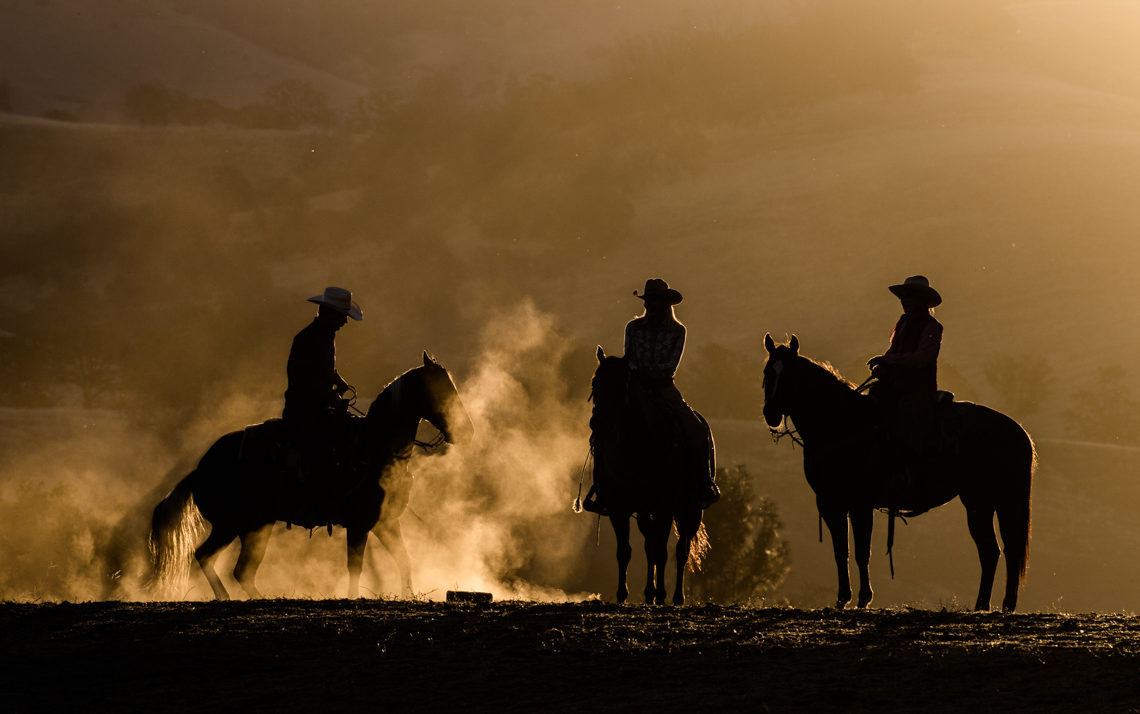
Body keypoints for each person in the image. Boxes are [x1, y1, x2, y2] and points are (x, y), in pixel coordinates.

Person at [585, 278, 719, 514]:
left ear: (666, 304)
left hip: (663, 388)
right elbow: (629, 357)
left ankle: (703, 483)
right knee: (603, 428)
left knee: (696, 428)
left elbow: (670, 364)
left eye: (654, 301)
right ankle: (601, 487)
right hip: (634, 387)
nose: (649, 306)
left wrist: (646, 373)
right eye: (648, 301)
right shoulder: (633, 328)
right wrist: (636, 375)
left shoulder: (678, 331)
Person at [282, 286, 363, 482]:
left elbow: (323, 369)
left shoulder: (323, 335)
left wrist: (338, 381)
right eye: (342, 316)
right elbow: (303, 379)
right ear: (330, 313)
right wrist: (332, 398)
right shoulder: (309, 338)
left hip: (316, 407)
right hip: (303, 410)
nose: (345, 321)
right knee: (323, 452)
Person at [867, 274, 943, 462]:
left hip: (918, 390)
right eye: (904, 297)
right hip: (896, 385)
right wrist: (884, 365)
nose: (905, 301)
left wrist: (888, 362)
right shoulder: (903, 323)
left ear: (922, 301)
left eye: (910, 296)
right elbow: (893, 351)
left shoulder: (932, 327)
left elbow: (921, 358)